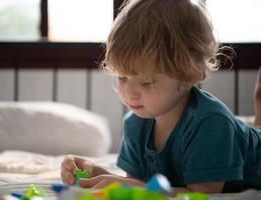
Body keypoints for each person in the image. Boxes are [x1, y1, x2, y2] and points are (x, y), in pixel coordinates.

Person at [61, 0, 261, 195]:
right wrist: (94, 171)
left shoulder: (211, 123)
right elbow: (138, 185)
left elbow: (203, 194)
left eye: (146, 82)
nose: (129, 92)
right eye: (122, 77)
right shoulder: (135, 123)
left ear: (189, 74)